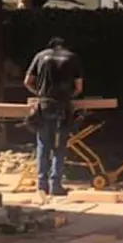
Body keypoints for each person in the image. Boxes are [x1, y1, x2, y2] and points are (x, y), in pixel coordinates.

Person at [23, 37, 83, 196]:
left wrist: (40, 94)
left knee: (43, 144)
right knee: (60, 146)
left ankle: (42, 185)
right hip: (63, 106)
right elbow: (79, 87)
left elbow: (27, 81)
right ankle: (55, 185)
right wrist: (69, 96)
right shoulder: (72, 57)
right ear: (64, 46)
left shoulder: (40, 56)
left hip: (44, 106)